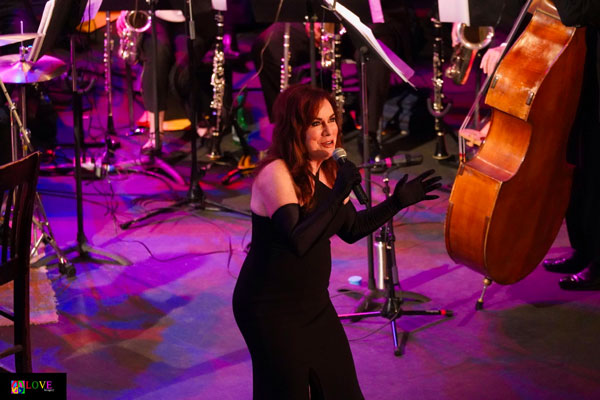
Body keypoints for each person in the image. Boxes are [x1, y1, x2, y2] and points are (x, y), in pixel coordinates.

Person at [232, 84, 441, 399]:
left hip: (313, 305)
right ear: (296, 128)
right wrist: (341, 191)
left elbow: (352, 227)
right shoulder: (277, 173)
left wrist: (397, 202)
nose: (329, 131)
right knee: (285, 392)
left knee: (341, 388)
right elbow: (298, 241)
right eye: (317, 123)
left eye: (332, 119)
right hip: (268, 308)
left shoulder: (329, 170)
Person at [250, 0, 422, 160]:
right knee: (268, 44)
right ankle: (287, 129)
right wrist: (315, 18)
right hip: (318, 21)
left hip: (366, 21)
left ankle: (369, 133)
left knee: (374, 55)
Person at [541, 0, 600, 290]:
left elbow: (575, 12)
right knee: (582, 167)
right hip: (587, 69)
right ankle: (585, 249)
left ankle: (598, 263)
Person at [116, 2, 217, 154]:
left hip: (195, 18)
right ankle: (155, 134)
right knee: (158, 55)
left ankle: (200, 118)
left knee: (179, 76)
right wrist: (127, 9)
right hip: (155, 15)